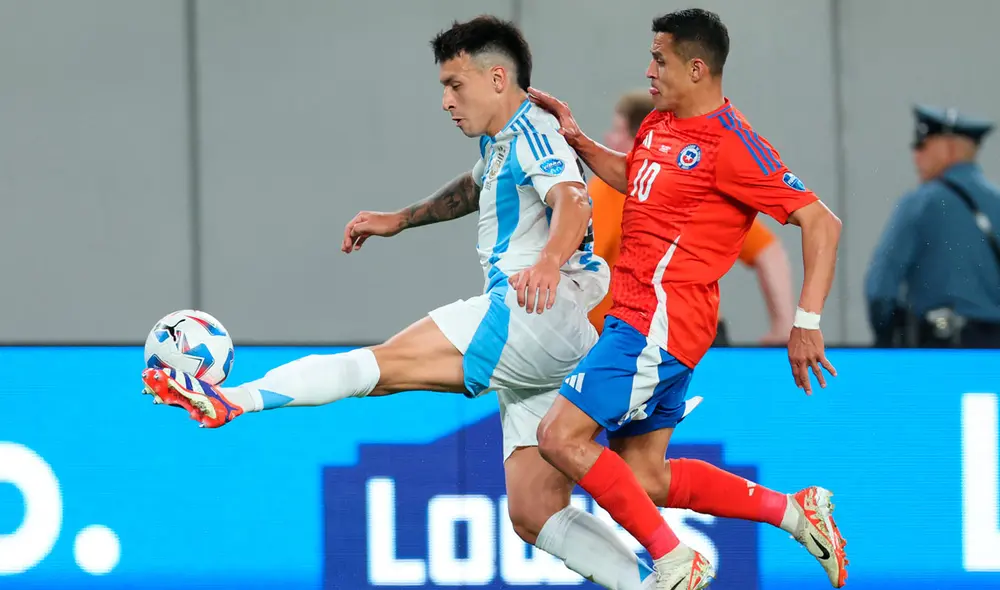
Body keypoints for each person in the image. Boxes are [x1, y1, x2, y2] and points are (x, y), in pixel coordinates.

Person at [141, 15, 681, 590]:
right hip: (555, 329)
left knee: (381, 366)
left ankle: (234, 400)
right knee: (533, 511)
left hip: (533, 311)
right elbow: (475, 187)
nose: (446, 100)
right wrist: (400, 219)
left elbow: (571, 198)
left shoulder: (536, 132)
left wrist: (547, 260)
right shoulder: (506, 137)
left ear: (498, 78)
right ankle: (653, 584)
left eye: (455, 85)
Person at [528, 8, 848, 589]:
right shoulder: (660, 122)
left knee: (558, 437)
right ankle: (796, 513)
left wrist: (806, 321)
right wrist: (576, 140)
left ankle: (676, 559)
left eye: (660, 59)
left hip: (656, 323)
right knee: (645, 476)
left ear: (697, 68)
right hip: (652, 322)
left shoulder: (734, 144)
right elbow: (636, 176)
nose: (649, 69)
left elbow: (821, 223)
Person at [590, 90, 794, 345]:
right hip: (696, 335)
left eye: (618, 130)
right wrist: (784, 326)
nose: (608, 138)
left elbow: (582, 265)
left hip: (629, 338)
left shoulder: (607, 191)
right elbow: (769, 252)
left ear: (643, 137)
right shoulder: (700, 188)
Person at [865, 104, 1000, 348]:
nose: (916, 156)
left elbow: (880, 289)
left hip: (942, 351)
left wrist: (888, 342)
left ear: (948, 148)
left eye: (922, 146)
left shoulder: (921, 202)